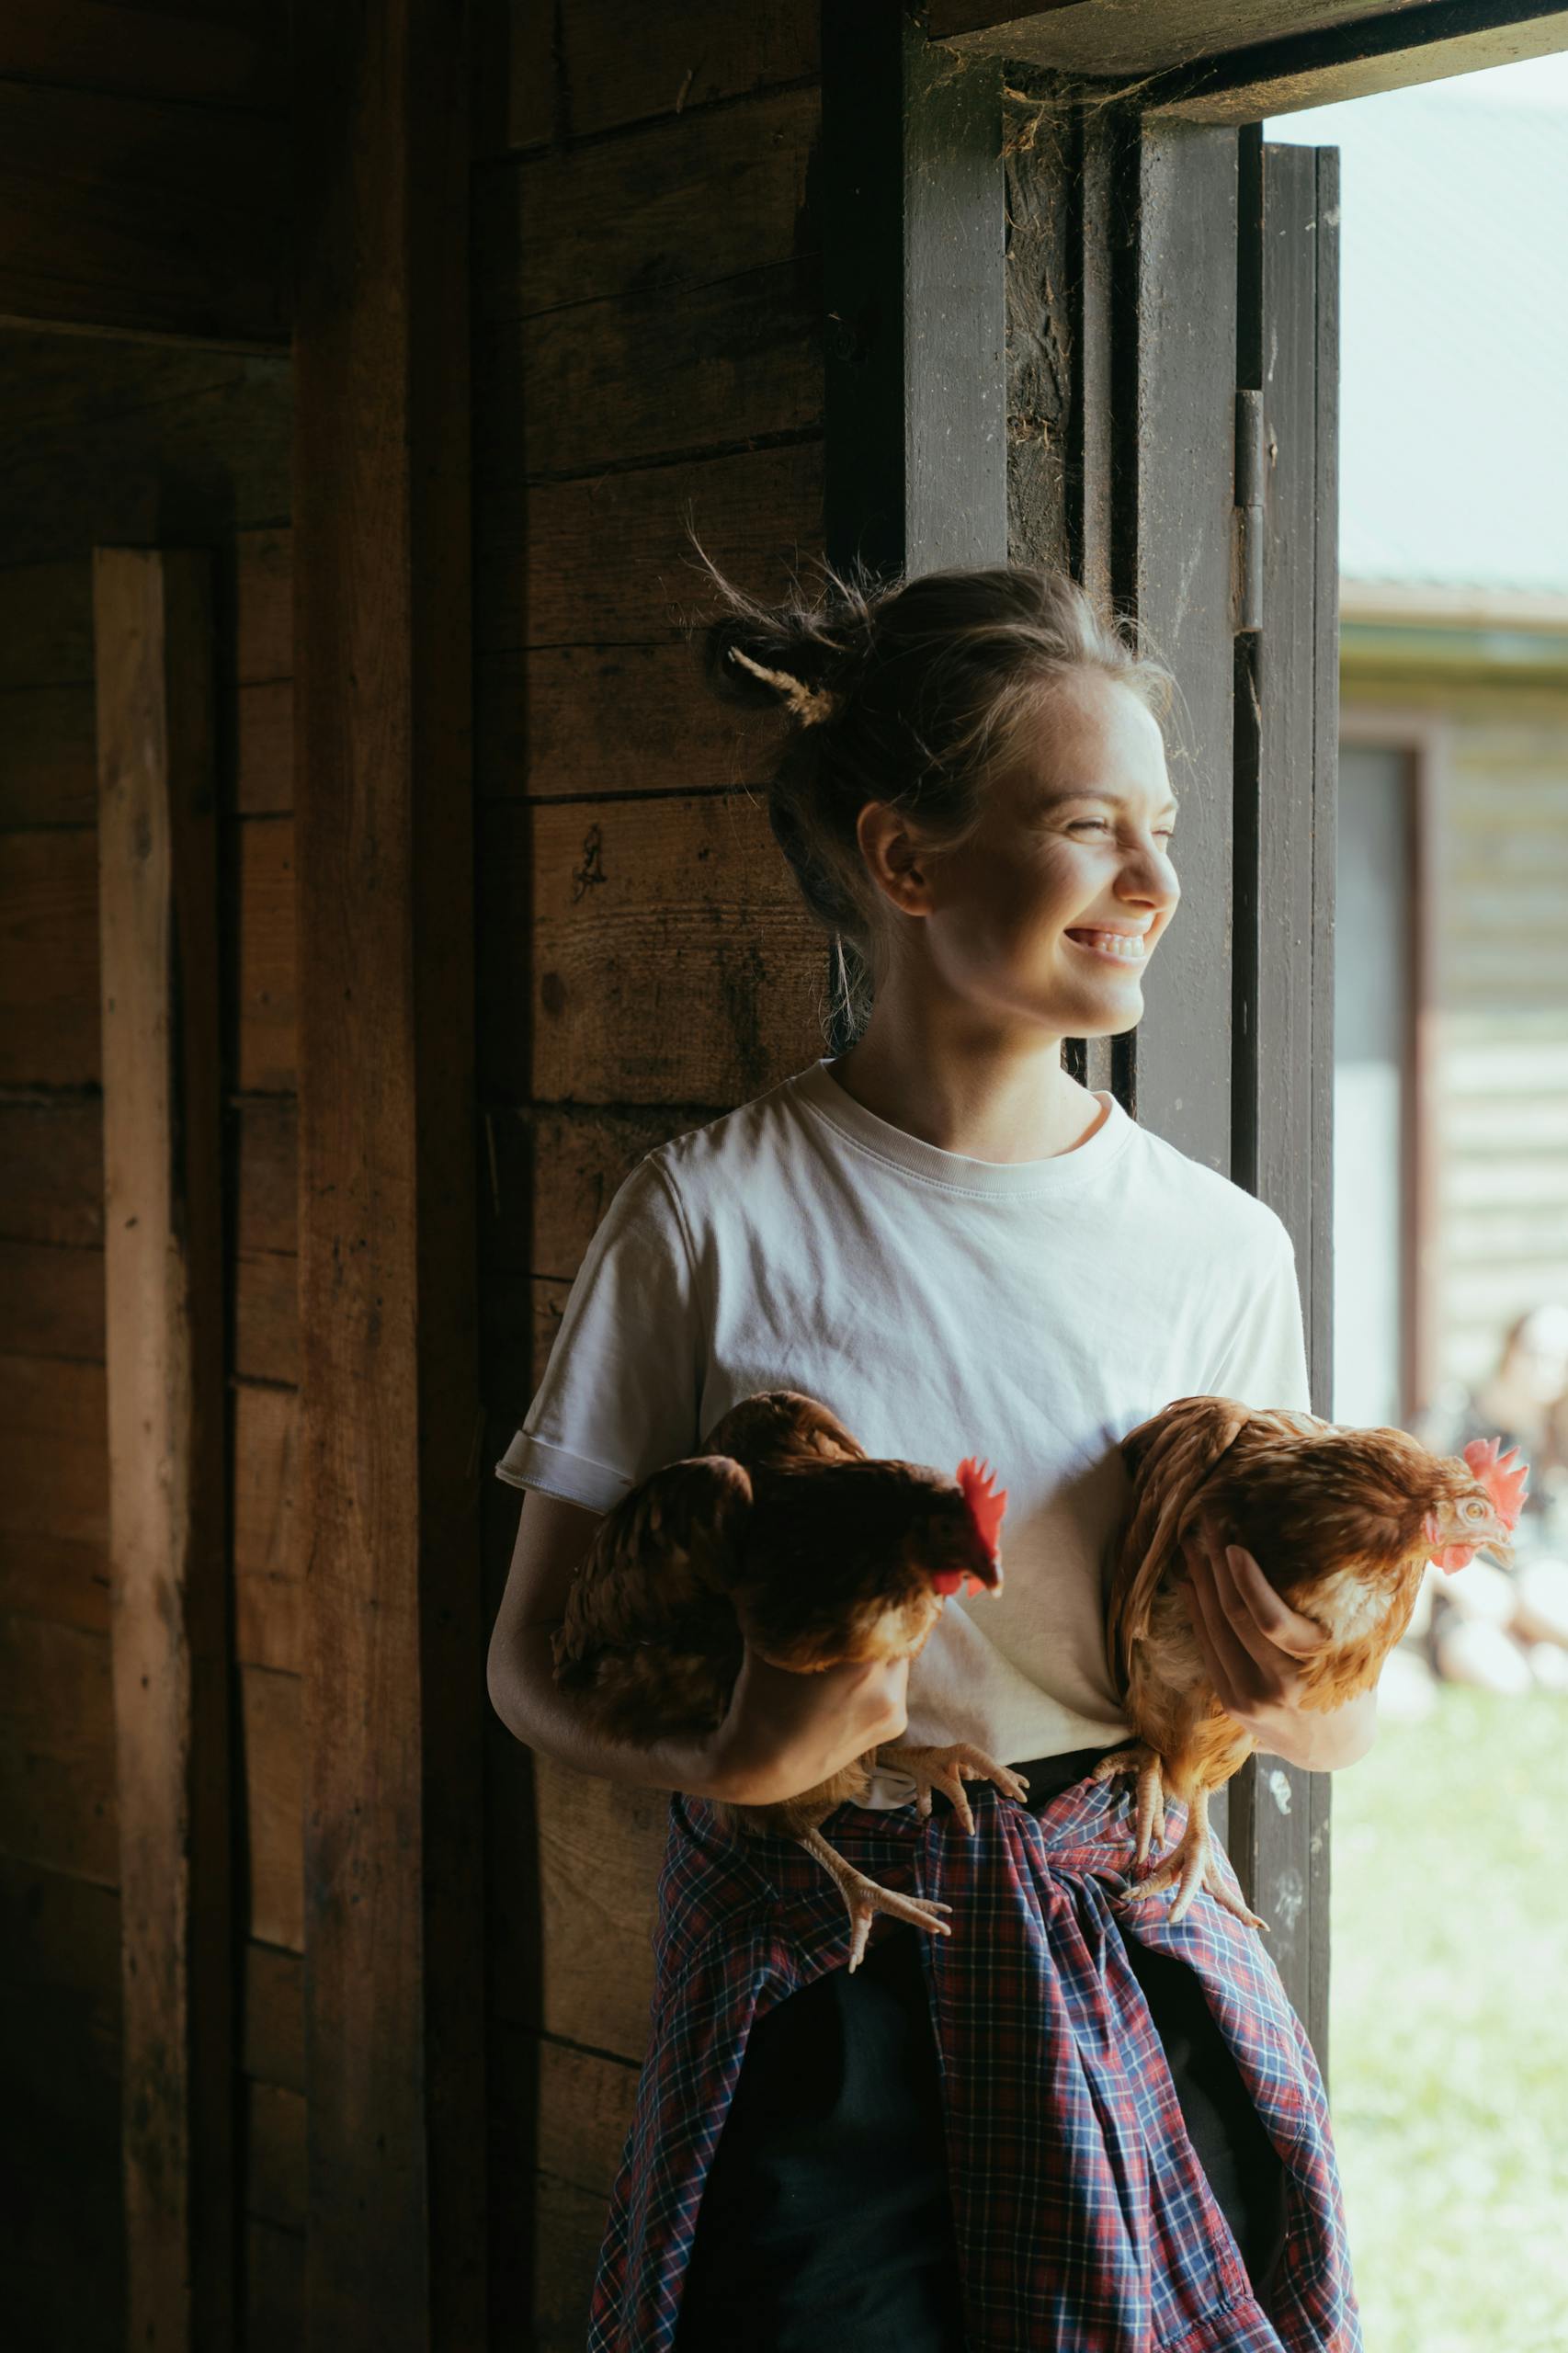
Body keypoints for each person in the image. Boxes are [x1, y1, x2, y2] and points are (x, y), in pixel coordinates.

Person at [485, 557, 1375, 2352]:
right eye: (1088, 826)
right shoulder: (711, 1216)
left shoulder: (1218, 1250)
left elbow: (1328, 1718)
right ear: (907, 861)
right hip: (824, 1987)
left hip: (1136, 1964)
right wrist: (725, 1748)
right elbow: (525, 1666)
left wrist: (1296, 1684)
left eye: (1166, 827)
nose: (1155, 880)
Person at [1411, 1302, 1568, 1694]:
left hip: (1534, 1581)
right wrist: (1466, 1583)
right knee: (1502, 1678)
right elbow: (1405, 1514)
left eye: (1559, 1360)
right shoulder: (1453, 1415)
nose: (1544, 1369)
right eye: (1535, 1352)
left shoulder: (1554, 1432)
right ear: (1511, 1348)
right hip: (1463, 1586)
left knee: (1544, 1611)